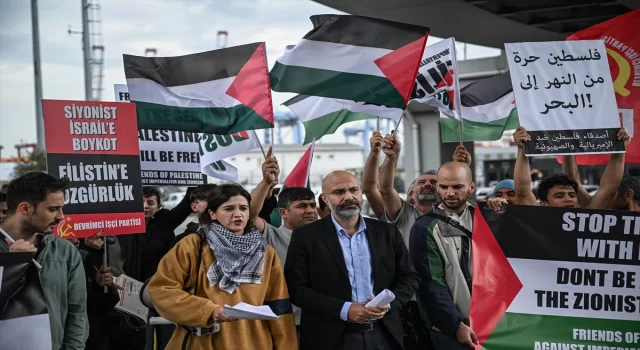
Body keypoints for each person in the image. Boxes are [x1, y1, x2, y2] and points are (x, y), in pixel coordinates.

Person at [147, 184, 297, 350]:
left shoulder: (265, 252)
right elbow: (161, 289)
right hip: (204, 341)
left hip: (254, 341)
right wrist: (207, 311)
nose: (238, 214)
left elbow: (279, 306)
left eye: (243, 208)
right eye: (228, 208)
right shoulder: (193, 246)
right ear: (212, 213)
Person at [285, 170, 419, 350]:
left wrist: (388, 304)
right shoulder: (305, 237)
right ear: (325, 198)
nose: (348, 197)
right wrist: (344, 309)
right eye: (339, 192)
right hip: (331, 338)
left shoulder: (386, 232)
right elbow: (296, 289)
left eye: (354, 190)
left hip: (384, 334)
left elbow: (410, 276)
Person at [0, 172, 88, 350]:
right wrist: (13, 265)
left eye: (61, 208)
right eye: (53, 209)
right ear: (25, 209)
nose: (61, 217)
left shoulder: (65, 251)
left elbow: (77, 312)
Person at [105, 186, 193, 350]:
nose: (145, 206)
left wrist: (193, 176)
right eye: (141, 202)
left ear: (159, 206)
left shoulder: (166, 221)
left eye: (150, 202)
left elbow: (188, 201)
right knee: (139, 338)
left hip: (162, 288)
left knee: (166, 335)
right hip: (131, 290)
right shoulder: (121, 225)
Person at [409, 162, 478, 349]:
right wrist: (455, 325)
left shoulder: (487, 217)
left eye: (457, 186)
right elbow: (430, 283)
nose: (450, 193)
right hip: (452, 331)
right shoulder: (424, 227)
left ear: (471, 187)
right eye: (444, 186)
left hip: (493, 322)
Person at [250, 149, 318, 334]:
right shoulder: (272, 236)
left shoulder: (328, 237)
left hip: (324, 320)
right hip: (286, 323)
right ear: (283, 213)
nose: (311, 210)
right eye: (302, 206)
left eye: (313, 205)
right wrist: (266, 183)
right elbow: (248, 216)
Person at [511, 126, 629, 209]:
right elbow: (523, 192)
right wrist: (522, 149)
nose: (569, 199)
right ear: (543, 204)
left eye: (572, 195)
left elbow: (608, 188)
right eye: (559, 195)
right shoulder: (535, 222)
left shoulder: (586, 220)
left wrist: (619, 148)